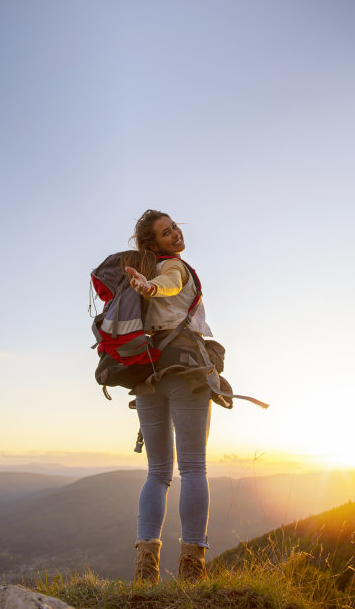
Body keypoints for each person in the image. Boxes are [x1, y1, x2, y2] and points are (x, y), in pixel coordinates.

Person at [123, 209, 219, 584]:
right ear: (154, 244)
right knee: (193, 467)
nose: (176, 234)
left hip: (146, 371)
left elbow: (156, 288)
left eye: (175, 227)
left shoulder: (139, 274)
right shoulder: (172, 269)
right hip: (183, 366)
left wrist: (145, 286)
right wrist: (150, 287)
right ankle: (193, 570)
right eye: (166, 232)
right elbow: (169, 284)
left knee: (157, 473)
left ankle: (145, 571)